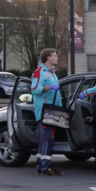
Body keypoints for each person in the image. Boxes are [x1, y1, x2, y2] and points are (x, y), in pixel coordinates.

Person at [31, 48, 63, 176]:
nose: (57, 57)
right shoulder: (39, 72)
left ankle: (41, 165)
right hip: (45, 110)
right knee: (47, 139)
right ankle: (45, 167)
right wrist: (49, 87)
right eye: (55, 55)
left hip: (52, 110)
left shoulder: (51, 72)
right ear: (48, 58)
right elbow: (34, 89)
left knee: (46, 139)